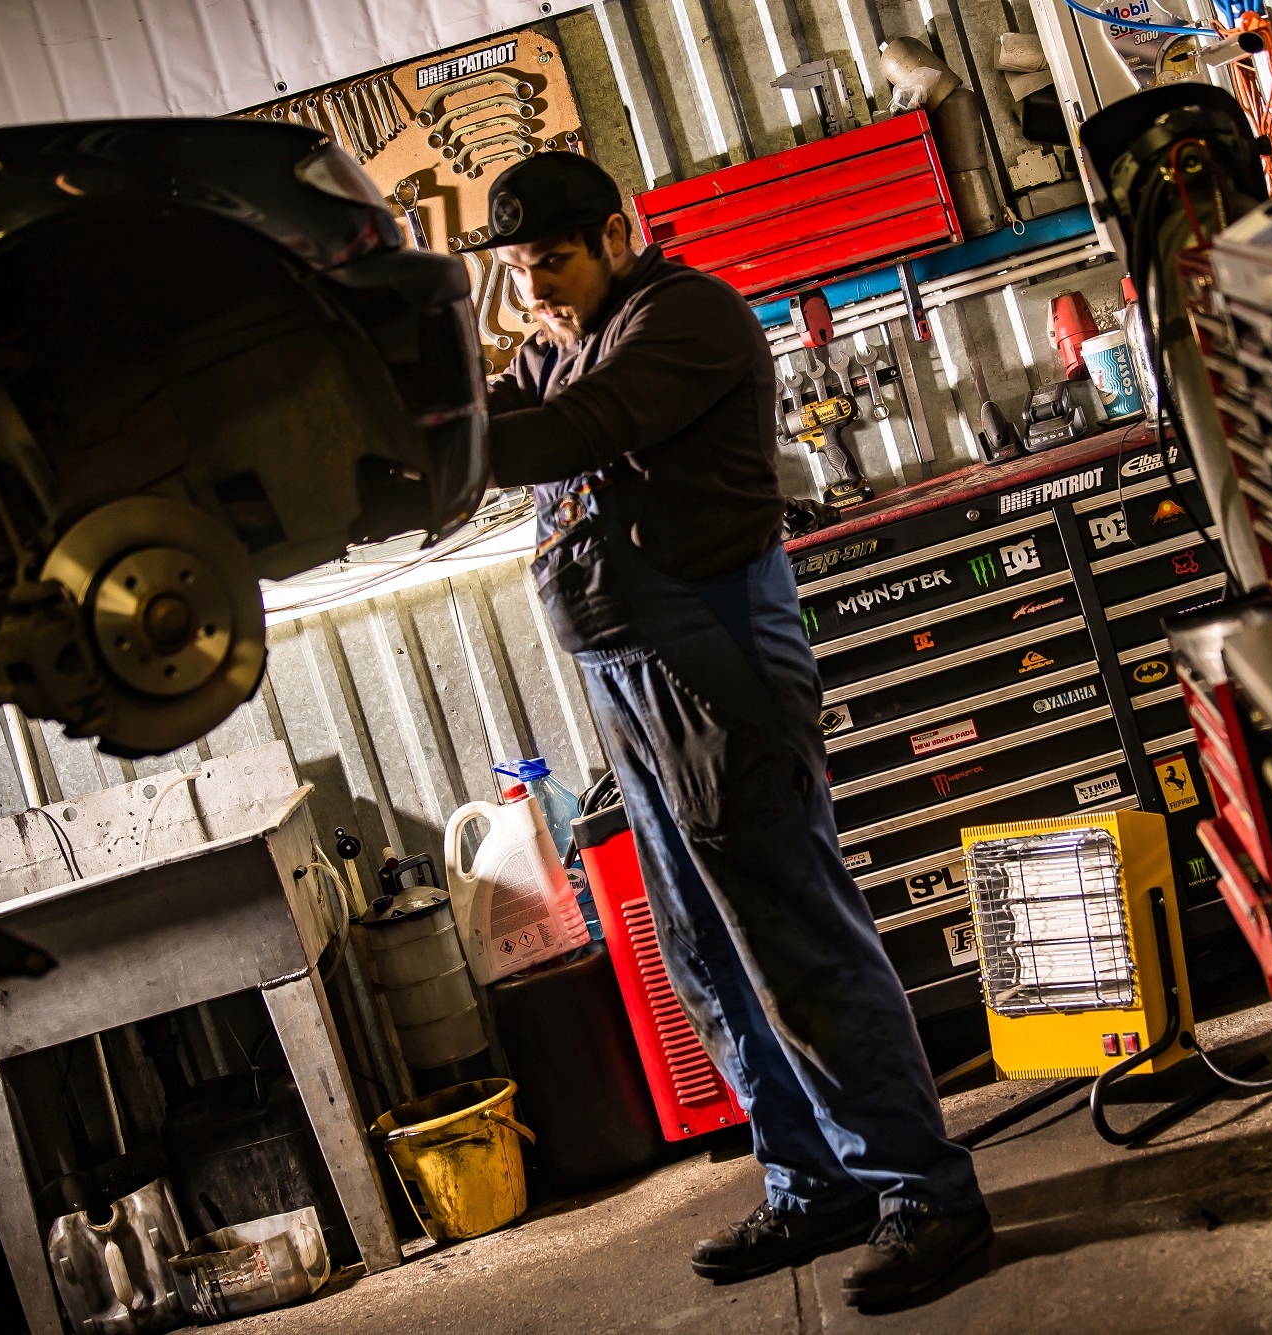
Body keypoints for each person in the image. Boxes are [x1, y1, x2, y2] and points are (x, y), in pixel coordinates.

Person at [472, 153, 989, 1307]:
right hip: (623, 671)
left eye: (552, 263)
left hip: (713, 660)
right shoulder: (558, 341)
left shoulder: (685, 318)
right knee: (703, 947)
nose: (535, 292)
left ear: (616, 236)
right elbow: (508, 409)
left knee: (790, 933)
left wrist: (443, 429)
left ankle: (925, 1194)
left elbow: (567, 434)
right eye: (517, 273)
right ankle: (813, 1179)